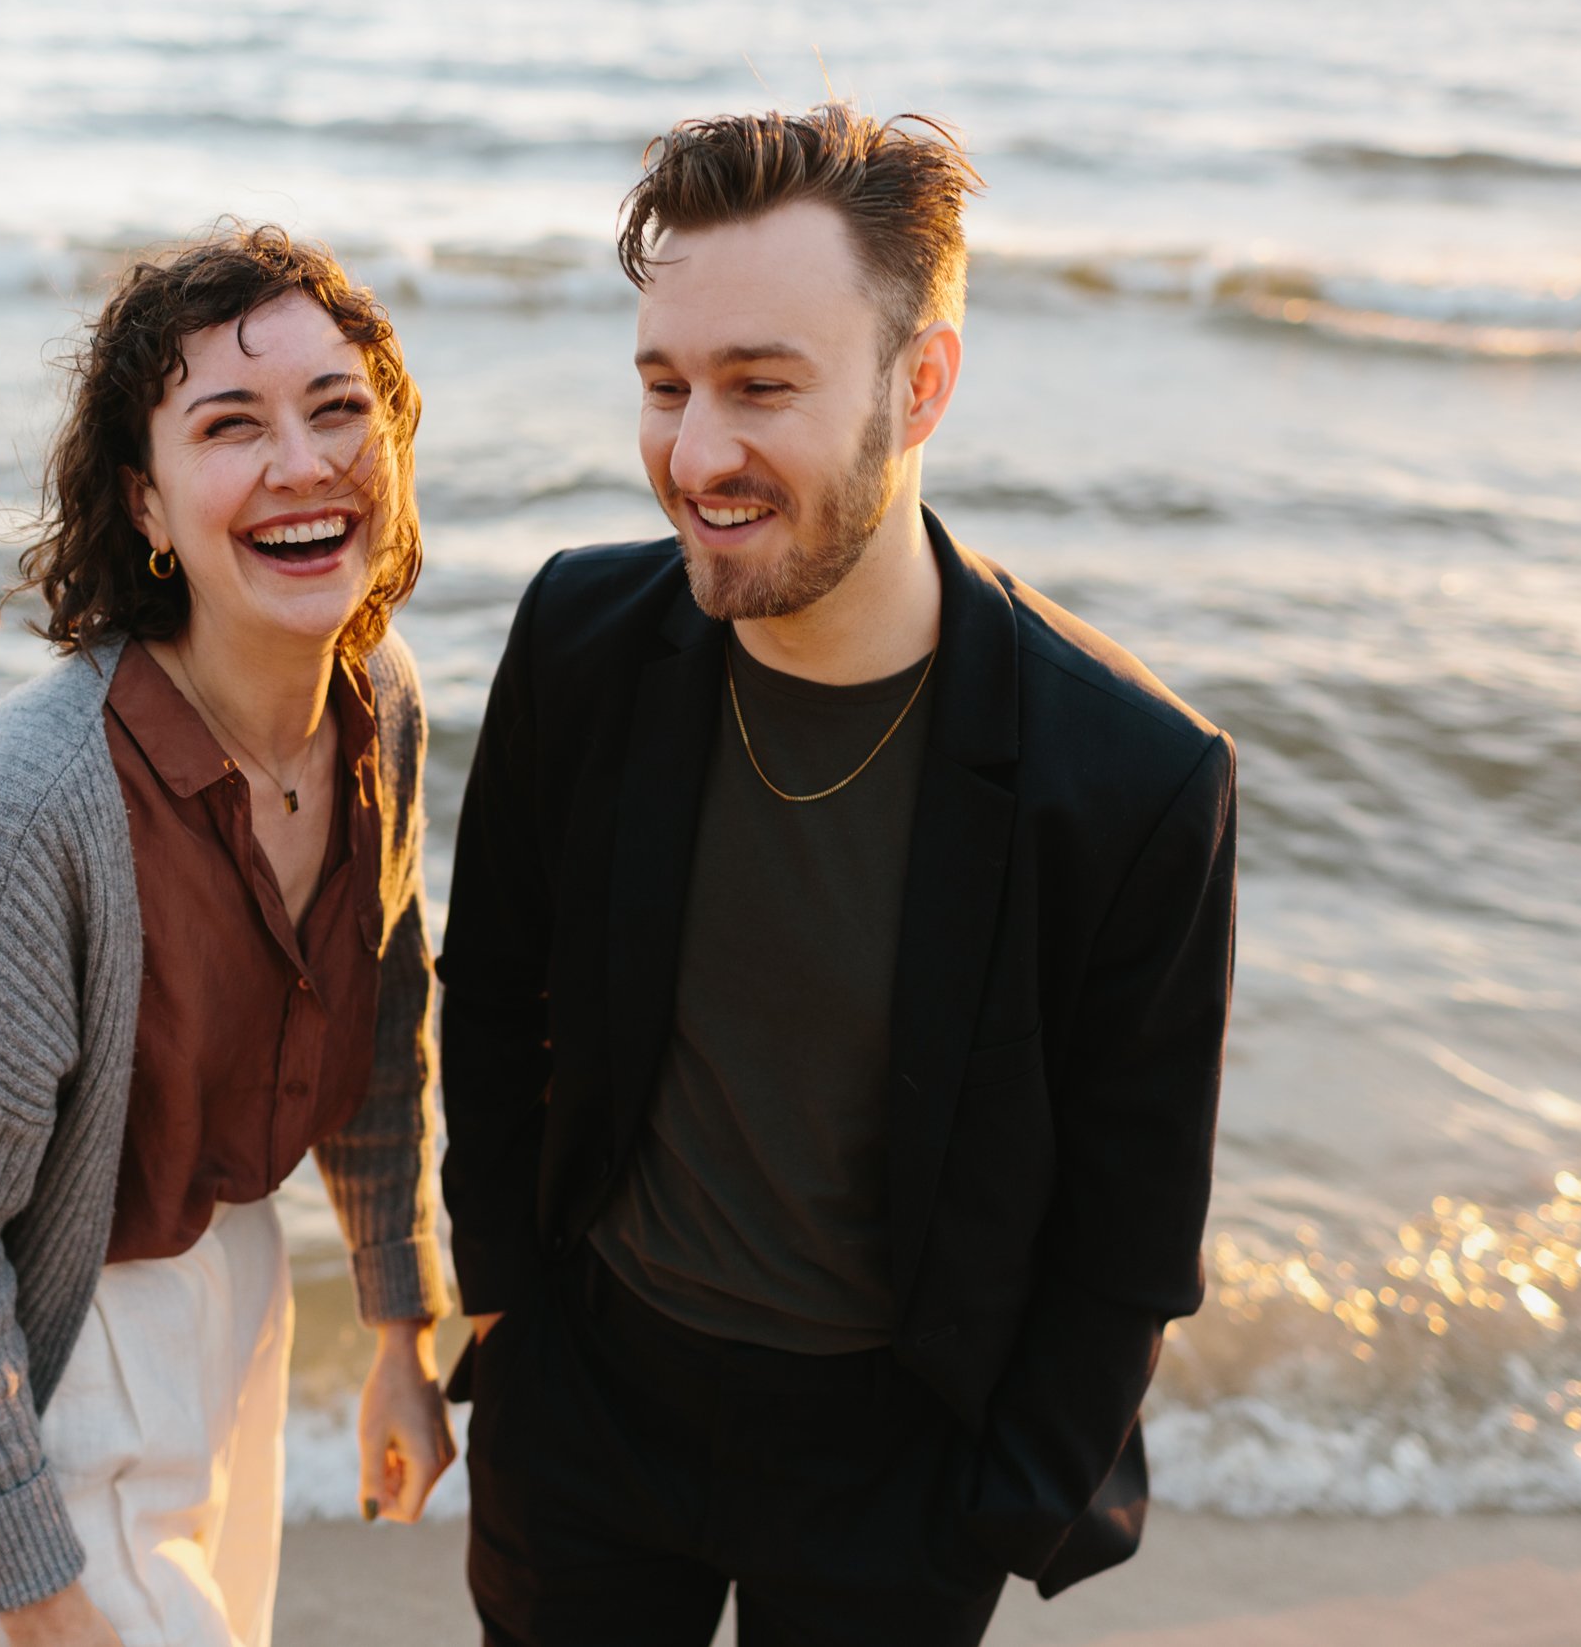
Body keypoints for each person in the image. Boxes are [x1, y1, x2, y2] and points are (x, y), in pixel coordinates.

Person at [437, 105, 1238, 1645]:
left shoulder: (1134, 779)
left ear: (919, 383)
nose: (696, 453)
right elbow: (496, 995)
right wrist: (505, 1309)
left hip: (898, 1469)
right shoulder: (580, 639)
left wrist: (1003, 1503)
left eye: (763, 388)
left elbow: (1132, 1232)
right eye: (666, 387)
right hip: (591, 1411)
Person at [0, 225, 455, 1647]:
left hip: (233, 1300)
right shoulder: (32, 813)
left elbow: (384, 1020)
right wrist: (40, 1598)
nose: (303, 464)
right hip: (38, 1360)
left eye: (336, 410)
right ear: (147, 501)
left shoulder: (375, 701)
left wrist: (401, 1333)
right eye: (230, 426)